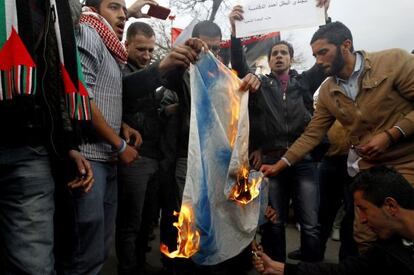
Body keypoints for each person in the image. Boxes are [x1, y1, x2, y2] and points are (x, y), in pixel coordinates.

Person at [261, 20, 414, 252]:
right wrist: (280, 165)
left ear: (346, 46)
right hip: (369, 170)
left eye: (323, 53)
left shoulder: (394, 61)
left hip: (407, 160)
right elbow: (311, 134)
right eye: (314, 55)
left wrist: (392, 134)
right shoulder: (326, 91)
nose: (319, 61)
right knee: (365, 235)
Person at [229, 1, 329, 262]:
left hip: (303, 161)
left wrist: (323, 17)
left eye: (284, 52)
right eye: (275, 54)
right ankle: (275, 267)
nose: (279, 56)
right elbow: (239, 63)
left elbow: (325, 58)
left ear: (291, 58)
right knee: (274, 221)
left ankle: (311, 266)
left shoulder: (304, 82)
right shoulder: (259, 85)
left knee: (310, 222)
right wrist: (234, 30)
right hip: (271, 162)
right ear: (269, 60)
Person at [0, 0, 93, 274]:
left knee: (35, 264)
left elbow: (54, 78)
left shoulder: (55, 8)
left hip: (28, 149)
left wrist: (69, 144)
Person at [253, 166, 414, 275]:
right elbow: (345, 271)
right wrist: (278, 268)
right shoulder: (388, 248)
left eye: (364, 209)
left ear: (391, 206)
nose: (363, 220)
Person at [116, 21, 164, 275]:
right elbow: (129, 89)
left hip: (153, 157)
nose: (146, 56)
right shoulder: (121, 71)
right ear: (127, 45)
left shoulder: (145, 73)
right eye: (141, 49)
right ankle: (128, 268)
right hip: (134, 159)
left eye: (150, 50)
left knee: (147, 221)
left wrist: (166, 110)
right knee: (130, 222)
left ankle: (139, 264)